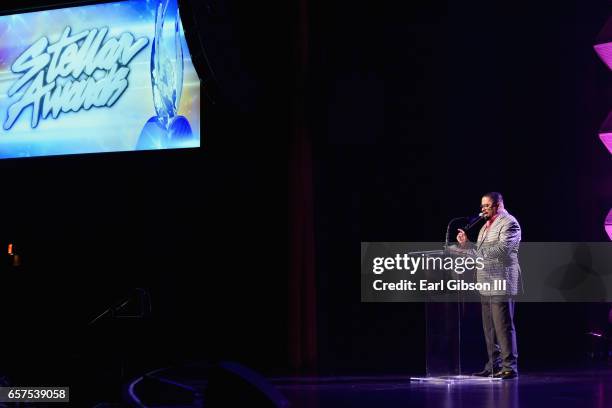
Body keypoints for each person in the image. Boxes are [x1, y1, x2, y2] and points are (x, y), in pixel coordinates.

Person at [454, 192, 521, 379]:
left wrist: (472, 250)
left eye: (487, 206)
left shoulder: (509, 223)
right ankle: (493, 366)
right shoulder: (485, 226)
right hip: (485, 281)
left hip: (501, 280)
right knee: (489, 327)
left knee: (503, 325)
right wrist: (466, 246)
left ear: (498, 205)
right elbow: (480, 253)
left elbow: (500, 251)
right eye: (482, 206)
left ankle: (510, 366)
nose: (482, 209)